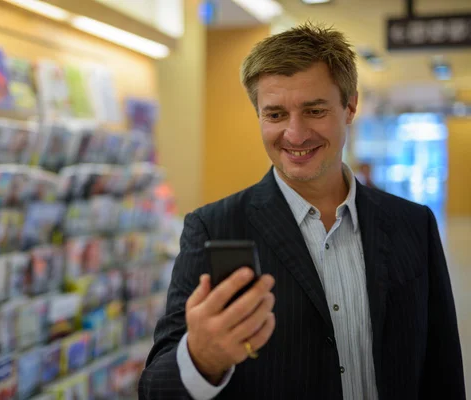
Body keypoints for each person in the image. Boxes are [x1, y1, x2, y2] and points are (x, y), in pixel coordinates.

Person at [138, 23, 465, 400]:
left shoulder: (413, 224)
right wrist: (201, 360)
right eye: (275, 115)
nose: (295, 134)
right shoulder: (214, 227)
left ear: (350, 107)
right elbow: (154, 387)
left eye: (314, 110)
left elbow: (443, 368)